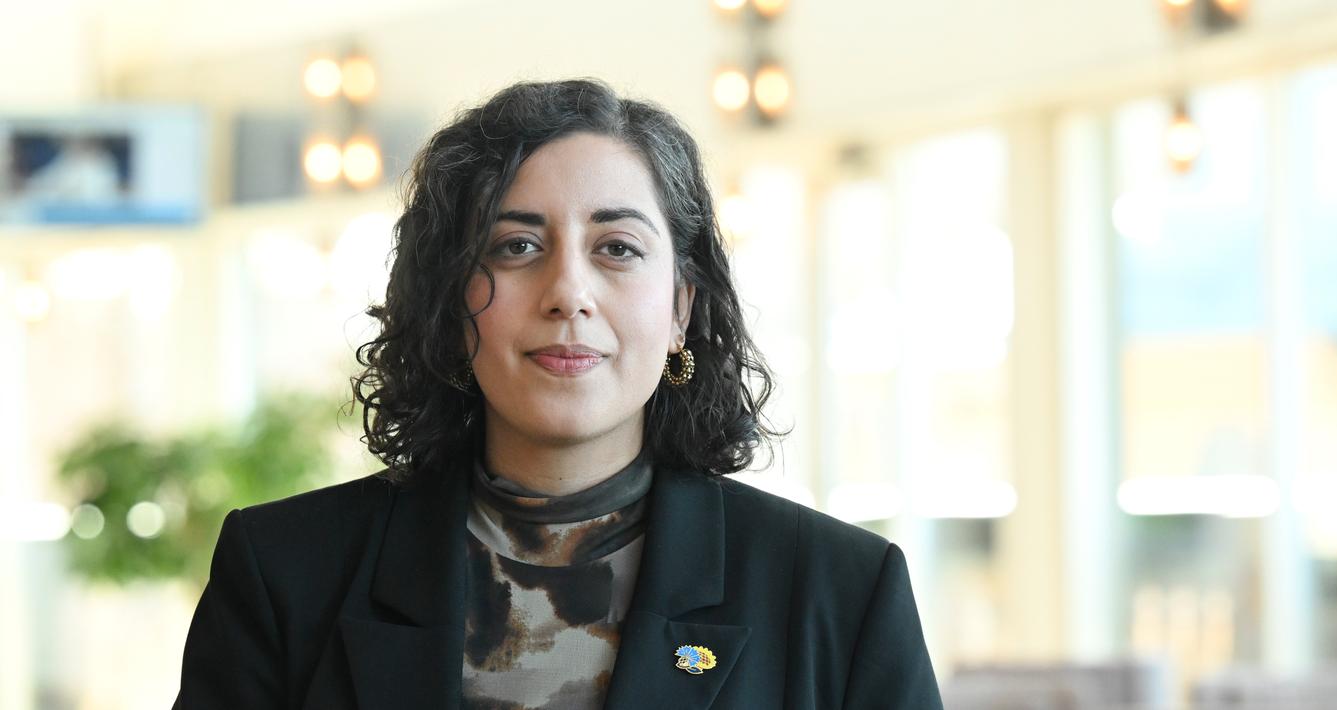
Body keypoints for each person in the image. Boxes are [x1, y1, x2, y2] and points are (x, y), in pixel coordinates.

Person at [174, 78, 943, 710]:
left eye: (617, 248)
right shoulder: (284, 573)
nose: (569, 292)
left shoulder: (840, 590)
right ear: (451, 303)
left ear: (680, 308)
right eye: (517, 246)